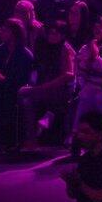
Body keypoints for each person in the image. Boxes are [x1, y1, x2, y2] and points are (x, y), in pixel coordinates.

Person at [0, 17, 35, 152]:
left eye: (5, 30)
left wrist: (4, 79)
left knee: (6, 98)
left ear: (14, 33)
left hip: (15, 89)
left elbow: (23, 79)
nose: (1, 32)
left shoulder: (25, 55)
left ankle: (5, 140)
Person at [18, 19, 74, 147]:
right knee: (23, 95)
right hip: (45, 86)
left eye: (55, 33)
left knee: (29, 97)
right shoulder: (47, 48)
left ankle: (34, 134)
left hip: (60, 88)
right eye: (50, 33)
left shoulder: (65, 49)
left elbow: (69, 74)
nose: (51, 36)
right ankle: (29, 136)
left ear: (62, 35)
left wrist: (44, 86)